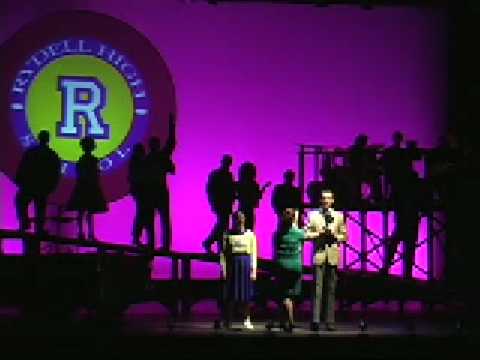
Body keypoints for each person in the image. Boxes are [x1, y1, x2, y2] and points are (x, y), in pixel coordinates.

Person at [305, 189, 348, 331]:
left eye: (328, 198)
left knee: (331, 289)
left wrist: (336, 236)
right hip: (320, 254)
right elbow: (306, 234)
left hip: (333, 255)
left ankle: (330, 321)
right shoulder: (313, 215)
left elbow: (345, 236)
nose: (325, 201)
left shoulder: (339, 216)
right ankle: (315, 320)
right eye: (323, 198)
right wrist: (319, 234)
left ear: (333, 200)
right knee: (317, 289)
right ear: (320, 200)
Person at [15, 130, 61, 237]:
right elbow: (56, 172)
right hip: (42, 186)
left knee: (21, 202)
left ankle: (25, 224)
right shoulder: (52, 154)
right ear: (48, 140)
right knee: (40, 208)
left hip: (29, 185)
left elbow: (22, 167)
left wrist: (20, 181)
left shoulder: (31, 152)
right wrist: (52, 186)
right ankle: (39, 229)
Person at [219, 211, 257, 329]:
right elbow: (223, 254)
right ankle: (228, 320)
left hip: (245, 265)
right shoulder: (227, 235)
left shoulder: (250, 235)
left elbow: (253, 253)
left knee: (246, 295)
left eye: (241, 219)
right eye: (237, 219)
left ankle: (247, 318)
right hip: (232, 265)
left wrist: (253, 270)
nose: (240, 222)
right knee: (230, 294)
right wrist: (223, 269)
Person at [270, 208, 305, 332]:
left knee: (284, 295)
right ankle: (283, 321)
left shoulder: (277, 234)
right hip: (295, 267)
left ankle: (289, 321)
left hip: (282, 266)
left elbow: (274, 253)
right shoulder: (299, 233)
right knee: (289, 295)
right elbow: (309, 236)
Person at [145, 114, 176, 251]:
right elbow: (171, 143)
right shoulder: (153, 158)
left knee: (156, 217)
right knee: (159, 217)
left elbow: (171, 143)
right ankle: (160, 244)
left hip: (156, 190)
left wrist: (171, 126)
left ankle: (158, 244)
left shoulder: (150, 158)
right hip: (156, 190)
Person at [67, 136, 108, 240]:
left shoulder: (82, 160)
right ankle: (89, 233)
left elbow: (81, 173)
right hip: (90, 187)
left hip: (83, 186)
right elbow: (96, 173)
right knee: (89, 212)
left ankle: (82, 233)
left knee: (82, 211)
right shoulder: (92, 160)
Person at [203, 154, 236, 254]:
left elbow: (231, 190)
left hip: (225, 203)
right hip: (221, 203)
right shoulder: (219, 175)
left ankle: (220, 247)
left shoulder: (227, 175)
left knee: (223, 226)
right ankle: (209, 242)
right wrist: (213, 202)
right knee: (222, 225)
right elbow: (210, 189)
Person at [128, 143, 154, 248]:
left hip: (141, 192)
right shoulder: (138, 162)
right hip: (142, 192)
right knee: (143, 215)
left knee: (142, 214)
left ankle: (138, 238)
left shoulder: (135, 162)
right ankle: (138, 238)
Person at [236, 162, 271, 231]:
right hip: (249, 210)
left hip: (242, 209)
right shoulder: (254, 184)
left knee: (241, 231)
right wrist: (264, 188)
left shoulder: (239, 184)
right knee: (249, 230)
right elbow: (258, 196)